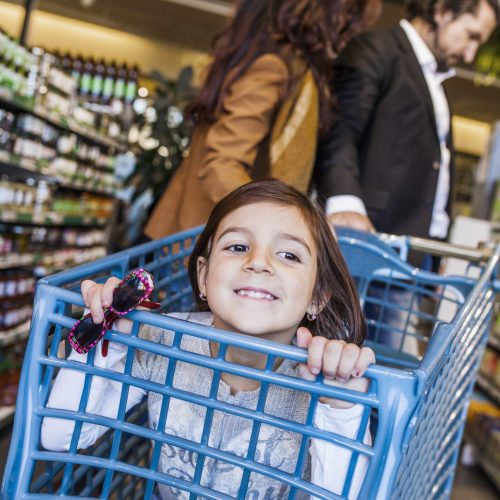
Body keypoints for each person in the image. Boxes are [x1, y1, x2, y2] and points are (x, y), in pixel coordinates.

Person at [41, 179, 375, 499]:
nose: (258, 262)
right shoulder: (163, 342)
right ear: (204, 276)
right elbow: (60, 435)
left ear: (318, 296)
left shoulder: (322, 381)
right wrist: (105, 331)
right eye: (238, 247)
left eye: (289, 255)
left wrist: (341, 408)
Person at [313, 0, 498, 352]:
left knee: (384, 365)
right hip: (367, 247)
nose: (471, 54)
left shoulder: (435, 82)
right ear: (443, 10)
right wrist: (344, 201)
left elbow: (432, 178)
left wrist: (437, 259)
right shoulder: (378, 49)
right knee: (343, 363)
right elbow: (340, 129)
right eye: (471, 36)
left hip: (409, 257)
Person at [143, 0, 380, 240]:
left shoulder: (287, 67)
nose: (351, 31)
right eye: (347, 15)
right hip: (197, 244)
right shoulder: (273, 67)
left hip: (206, 237)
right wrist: (286, 219)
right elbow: (222, 164)